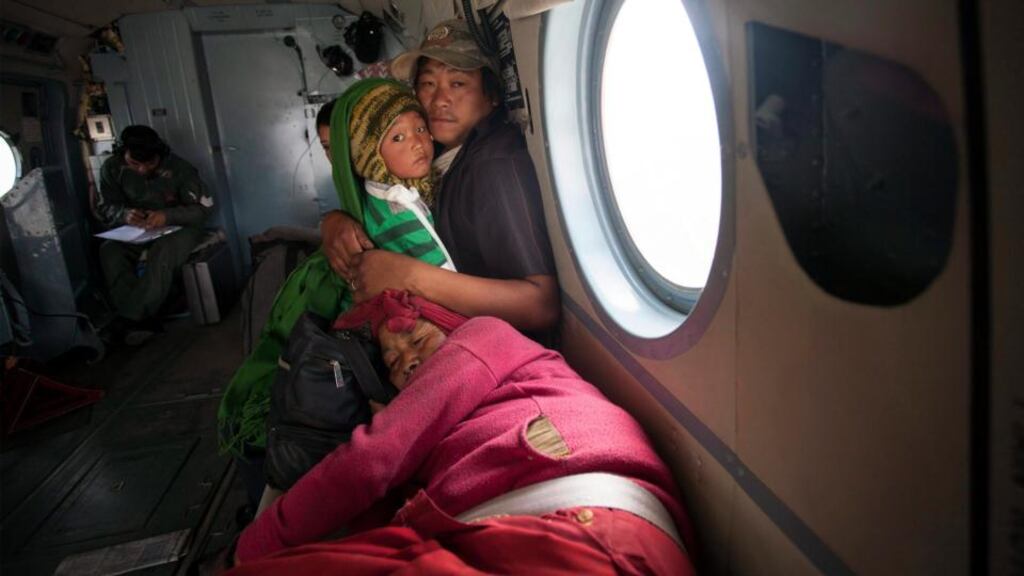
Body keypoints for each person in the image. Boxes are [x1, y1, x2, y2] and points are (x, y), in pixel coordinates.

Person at [226, 290, 696, 575]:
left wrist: (253, 549)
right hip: (544, 529)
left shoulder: (481, 338)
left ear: (451, 328)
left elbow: (367, 465)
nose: (407, 357)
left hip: (584, 533)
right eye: (391, 361)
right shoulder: (447, 427)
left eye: (418, 338)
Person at [218, 79, 454, 510]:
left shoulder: (410, 193)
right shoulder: (369, 212)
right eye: (327, 149)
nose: (336, 159)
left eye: (339, 146)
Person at [321, 18, 559, 343]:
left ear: (491, 95)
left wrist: (408, 276)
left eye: (458, 83)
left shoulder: (493, 165)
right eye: (428, 84)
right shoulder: (438, 155)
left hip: (494, 346)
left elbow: (540, 305)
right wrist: (335, 221)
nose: (439, 99)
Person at [95, 125, 213, 343]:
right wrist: (124, 214)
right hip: (138, 230)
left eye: (149, 164)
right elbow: (105, 207)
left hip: (180, 228)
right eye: (134, 164)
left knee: (164, 251)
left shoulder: (180, 169)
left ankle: (129, 318)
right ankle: (139, 315)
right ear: (124, 155)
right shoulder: (112, 168)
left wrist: (167, 216)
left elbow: (203, 209)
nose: (142, 170)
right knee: (109, 250)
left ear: (159, 155)